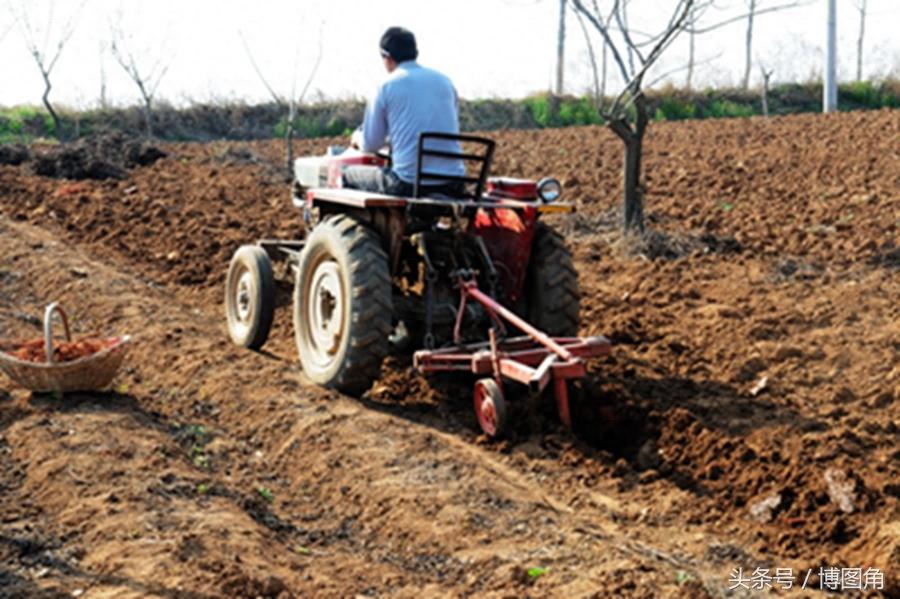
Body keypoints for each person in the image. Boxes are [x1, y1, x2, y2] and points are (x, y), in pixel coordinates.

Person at [343, 27, 466, 197]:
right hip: (453, 183)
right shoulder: (445, 82)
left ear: (386, 57)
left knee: (346, 174)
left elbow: (371, 144)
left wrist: (356, 138)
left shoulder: (386, 86)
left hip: (408, 184)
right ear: (415, 52)